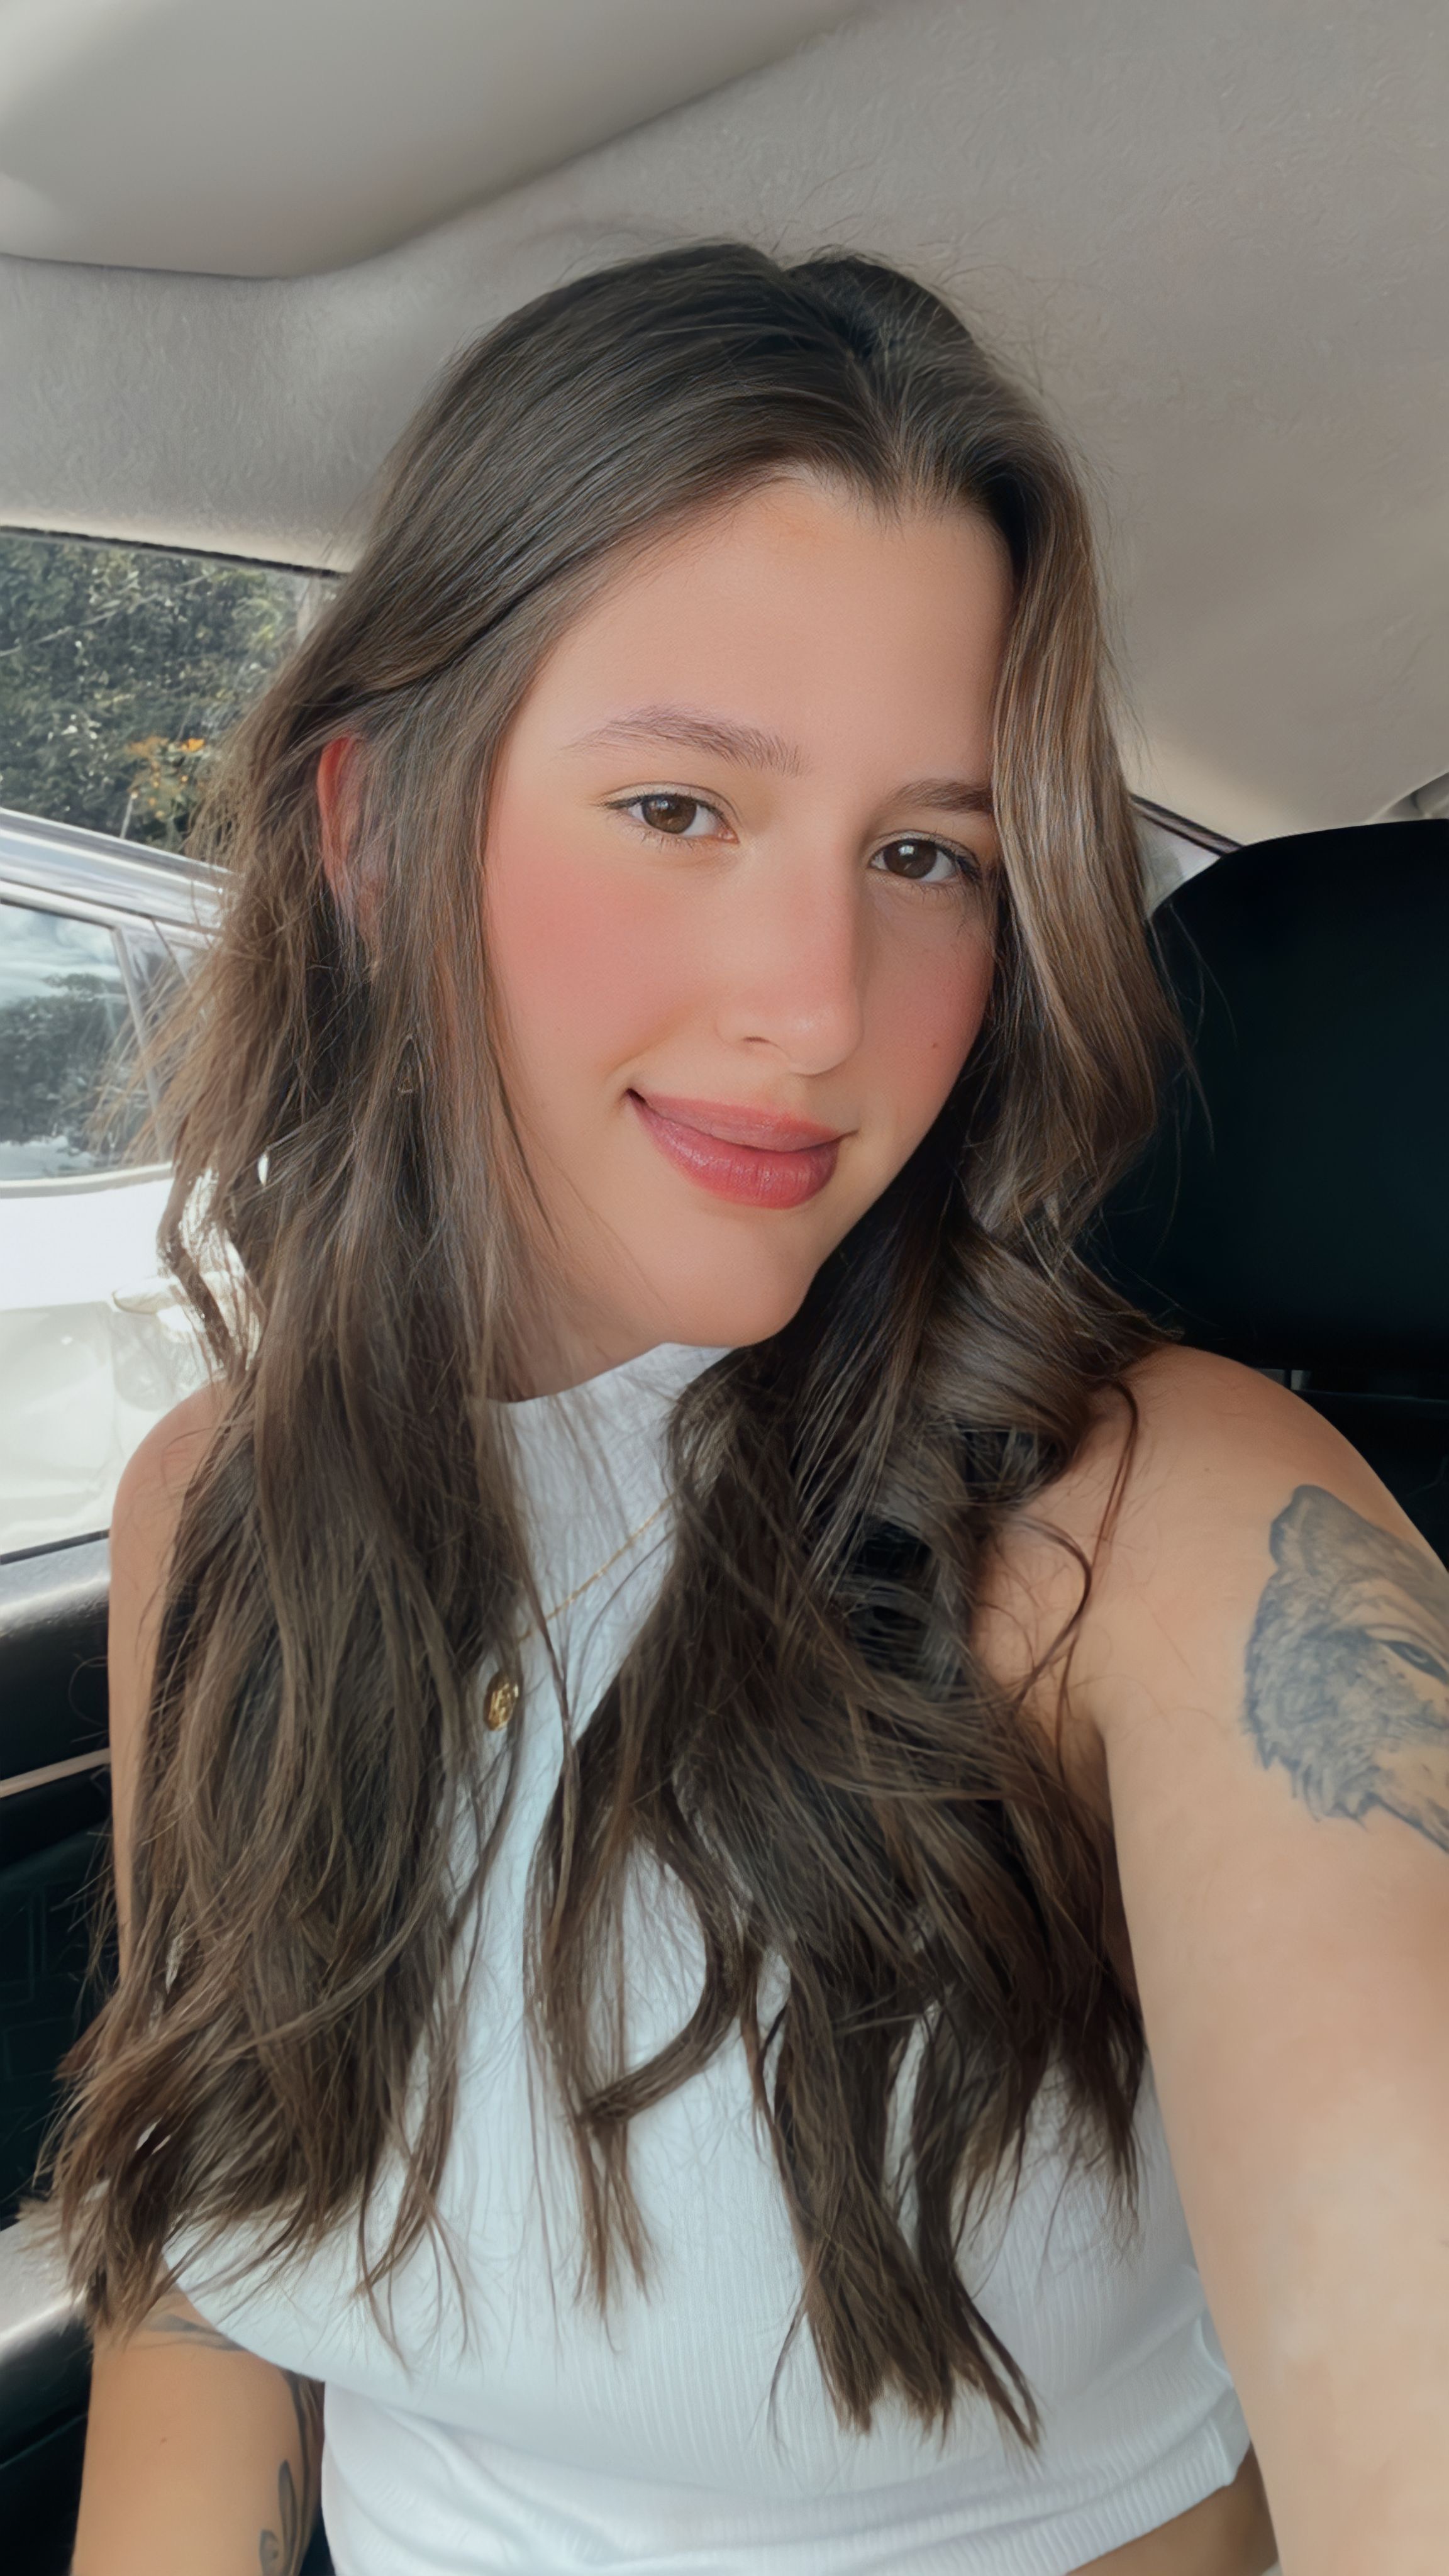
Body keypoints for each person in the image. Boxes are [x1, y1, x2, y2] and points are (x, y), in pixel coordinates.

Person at [50, 243, 1448, 2576]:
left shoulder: (1170, 1546)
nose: (819, 1006)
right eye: (682, 808)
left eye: (925, 857)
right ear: (375, 835)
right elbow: (199, 2314)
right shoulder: (217, 1510)